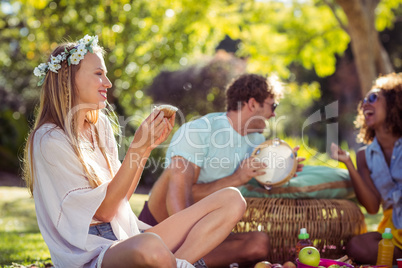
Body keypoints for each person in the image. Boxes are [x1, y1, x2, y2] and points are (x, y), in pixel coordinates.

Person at [23, 34, 247, 268]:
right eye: (99, 74)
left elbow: (121, 199)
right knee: (150, 246)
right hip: (90, 255)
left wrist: (146, 148)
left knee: (232, 199)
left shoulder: (99, 126)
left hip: (124, 236)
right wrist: (137, 149)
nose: (108, 83)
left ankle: (176, 264)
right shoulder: (49, 139)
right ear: (68, 79)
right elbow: (105, 212)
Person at [139, 73, 305, 267]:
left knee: (259, 243)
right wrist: (237, 178)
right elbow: (181, 196)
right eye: (272, 106)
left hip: (208, 231)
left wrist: (283, 170)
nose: (274, 114)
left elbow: (260, 183)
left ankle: (178, 261)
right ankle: (180, 258)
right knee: (178, 168)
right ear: (252, 104)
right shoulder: (199, 130)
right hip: (162, 226)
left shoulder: (257, 143)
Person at [330, 73, 402, 264]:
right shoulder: (363, 156)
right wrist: (349, 164)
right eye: (363, 101)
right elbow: (371, 207)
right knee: (357, 246)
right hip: (393, 230)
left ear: (395, 102)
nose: (365, 105)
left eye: (373, 98)